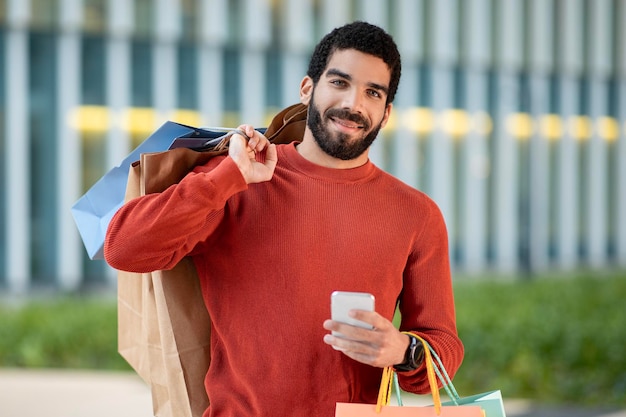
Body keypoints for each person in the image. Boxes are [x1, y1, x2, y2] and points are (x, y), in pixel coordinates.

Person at [105, 21, 463, 417]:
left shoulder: (416, 214)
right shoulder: (239, 179)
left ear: (386, 112)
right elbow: (124, 249)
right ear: (308, 88)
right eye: (340, 83)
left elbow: (443, 347)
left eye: (372, 92)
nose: (354, 104)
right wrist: (226, 177)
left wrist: (404, 351)